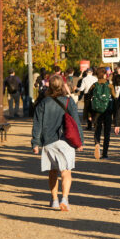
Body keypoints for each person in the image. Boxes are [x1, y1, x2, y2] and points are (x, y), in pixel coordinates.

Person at [31, 75, 82, 211]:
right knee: (66, 172)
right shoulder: (68, 102)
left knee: (52, 172)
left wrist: (35, 143)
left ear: (49, 86)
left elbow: (38, 124)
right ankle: (64, 198)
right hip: (65, 140)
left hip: (48, 141)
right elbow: (76, 122)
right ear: (63, 86)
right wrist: (80, 141)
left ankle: (54, 199)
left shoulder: (43, 103)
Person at [87, 70, 116, 160]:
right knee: (107, 133)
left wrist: (89, 114)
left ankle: (97, 143)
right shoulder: (110, 86)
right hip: (107, 111)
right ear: (104, 75)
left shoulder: (94, 85)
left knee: (97, 130)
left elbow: (88, 100)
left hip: (96, 111)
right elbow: (115, 99)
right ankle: (105, 153)